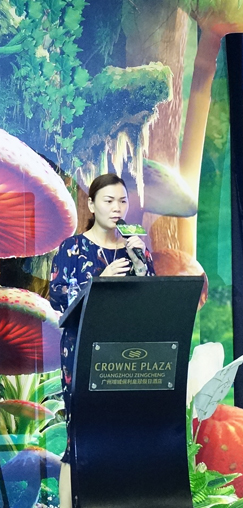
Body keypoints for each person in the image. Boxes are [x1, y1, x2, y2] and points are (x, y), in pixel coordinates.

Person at [48, 173, 156, 505]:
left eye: (122, 201)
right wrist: (98, 282)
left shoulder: (135, 249)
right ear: (92, 205)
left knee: (122, 435)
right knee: (79, 437)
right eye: (108, 201)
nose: (116, 208)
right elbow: (58, 300)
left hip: (126, 354)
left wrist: (141, 262)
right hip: (81, 352)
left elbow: (154, 301)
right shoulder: (72, 249)